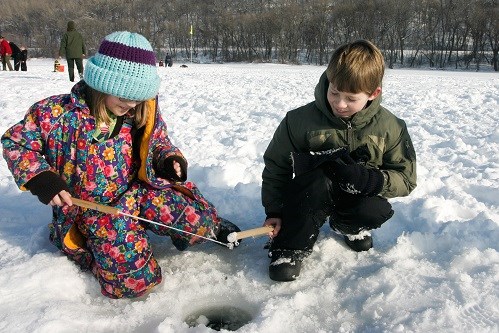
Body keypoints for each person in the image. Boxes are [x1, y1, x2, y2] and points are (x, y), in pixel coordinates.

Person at [2, 31, 240, 299]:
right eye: (123, 98)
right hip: (95, 208)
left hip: (138, 191)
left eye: (137, 99)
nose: (130, 106)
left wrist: (168, 160)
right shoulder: (55, 114)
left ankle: (211, 228)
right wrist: (42, 179)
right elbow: (17, 143)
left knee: (195, 217)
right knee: (132, 283)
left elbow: (158, 141)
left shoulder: (140, 110)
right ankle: (95, 253)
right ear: (100, 84)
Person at [261, 40, 417, 282]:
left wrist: (374, 180)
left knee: (374, 209)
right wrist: (274, 209)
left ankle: (348, 226)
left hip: (354, 194)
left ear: (373, 93)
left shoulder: (391, 127)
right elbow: (275, 168)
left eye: (351, 98)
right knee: (315, 184)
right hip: (309, 195)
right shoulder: (298, 121)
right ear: (328, 79)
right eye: (334, 92)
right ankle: (290, 247)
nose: (340, 103)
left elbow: (405, 178)